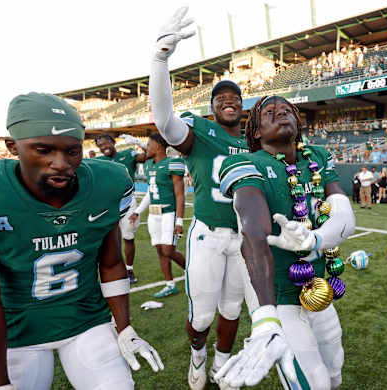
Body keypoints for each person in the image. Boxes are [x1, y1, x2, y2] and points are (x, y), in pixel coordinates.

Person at [0, 92, 162, 390]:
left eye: (72, 151)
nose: (60, 163)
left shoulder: (106, 183)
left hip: (87, 320)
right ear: (12, 147)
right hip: (17, 331)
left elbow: (112, 263)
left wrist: (124, 328)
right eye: (44, 150)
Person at [215, 95, 355, 389]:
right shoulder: (245, 162)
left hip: (318, 289)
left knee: (334, 369)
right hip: (281, 298)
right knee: (313, 381)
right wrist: (266, 317)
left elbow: (344, 216)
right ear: (255, 131)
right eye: (269, 112)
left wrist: (313, 238)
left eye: (287, 110)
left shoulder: (316, 157)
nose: (281, 112)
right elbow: (253, 235)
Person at [150, 8, 252, 388]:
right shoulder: (201, 132)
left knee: (231, 309)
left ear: (241, 106)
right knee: (203, 314)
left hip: (243, 240)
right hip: (208, 234)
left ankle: (222, 362)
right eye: (221, 97)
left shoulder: (253, 141)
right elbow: (164, 122)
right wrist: (160, 60)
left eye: (235, 97)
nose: (229, 100)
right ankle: (198, 356)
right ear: (212, 107)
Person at [129, 134, 187, 298]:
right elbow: (150, 192)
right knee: (160, 251)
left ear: (159, 146)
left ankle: (191, 273)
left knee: (168, 250)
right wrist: (137, 211)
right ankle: (170, 284)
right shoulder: (150, 166)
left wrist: (180, 220)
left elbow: (180, 194)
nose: (147, 147)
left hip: (169, 213)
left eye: (149, 144)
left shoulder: (172, 163)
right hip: (154, 215)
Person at [95, 133, 148, 284]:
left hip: (127, 201)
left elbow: (147, 156)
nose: (104, 147)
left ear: (113, 142)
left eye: (106, 143)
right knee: (108, 238)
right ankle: (112, 269)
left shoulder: (128, 154)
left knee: (128, 236)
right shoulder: (98, 161)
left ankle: (129, 269)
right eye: (100, 145)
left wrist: (139, 142)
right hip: (108, 203)